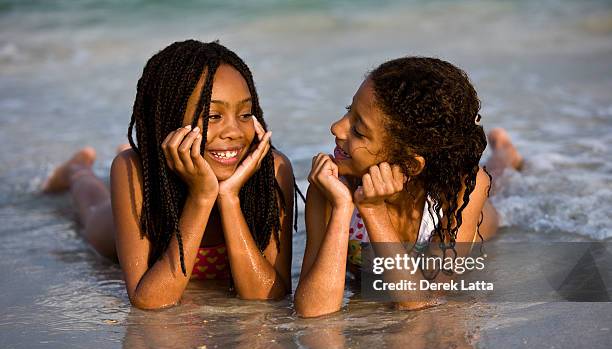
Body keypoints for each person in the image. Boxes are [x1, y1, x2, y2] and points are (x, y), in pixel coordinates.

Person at [43, 40, 294, 309]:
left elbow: (268, 294)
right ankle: (77, 170)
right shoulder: (135, 171)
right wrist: (201, 195)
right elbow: (150, 300)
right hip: (122, 228)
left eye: (245, 114)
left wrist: (229, 197)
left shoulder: (273, 171)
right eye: (213, 116)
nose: (234, 131)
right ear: (171, 119)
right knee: (92, 210)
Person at [295, 57, 523, 317]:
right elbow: (311, 310)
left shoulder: (461, 191)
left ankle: (505, 154)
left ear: (411, 166)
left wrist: (373, 210)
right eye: (349, 110)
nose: (336, 127)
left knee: (496, 183)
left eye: (358, 130)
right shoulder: (330, 186)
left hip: (479, 217)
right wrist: (342, 207)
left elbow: (422, 301)